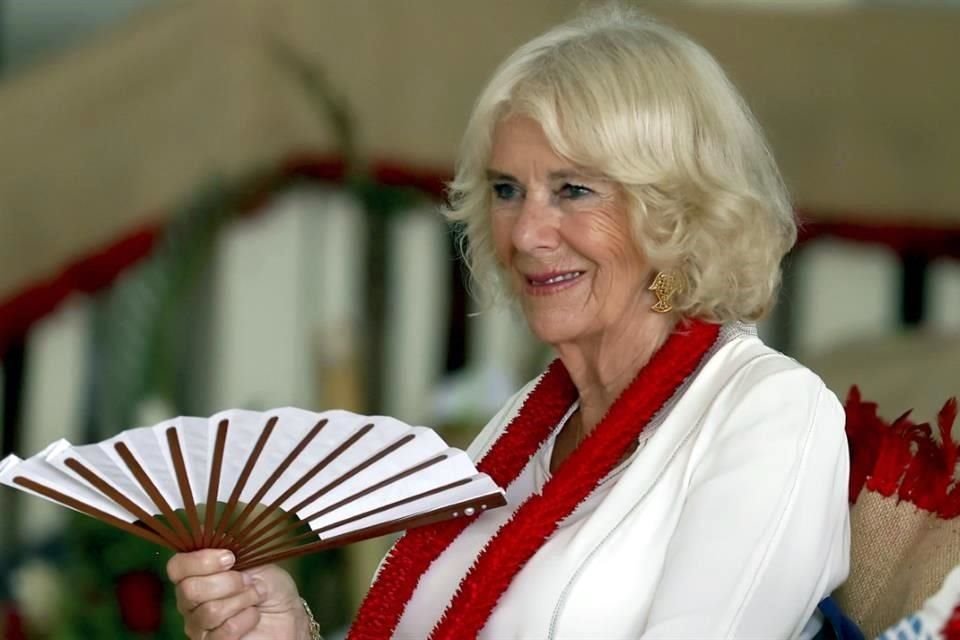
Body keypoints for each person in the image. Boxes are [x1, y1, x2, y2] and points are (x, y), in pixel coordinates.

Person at [166, 5, 852, 639]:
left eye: (573, 189)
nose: (526, 233)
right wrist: (290, 631)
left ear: (675, 211)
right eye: (506, 190)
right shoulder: (528, 424)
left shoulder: (770, 414)